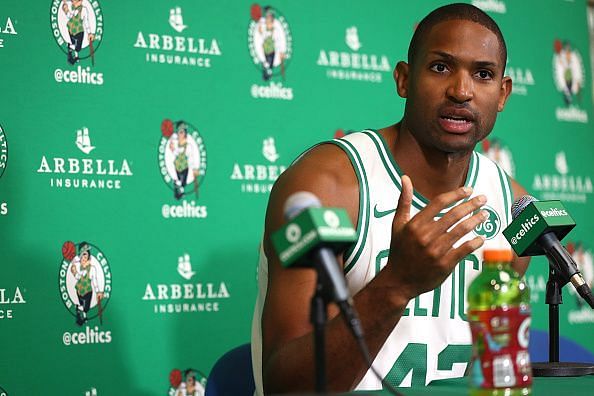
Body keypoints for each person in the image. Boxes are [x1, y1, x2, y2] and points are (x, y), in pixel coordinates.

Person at [251, 3, 531, 393]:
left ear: (502, 94)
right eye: (440, 67)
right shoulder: (325, 187)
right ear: (403, 79)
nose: (461, 91)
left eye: (482, 74)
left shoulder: (513, 210)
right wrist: (397, 284)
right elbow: (287, 385)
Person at [62, 0, 95, 65]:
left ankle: (75, 55)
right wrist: (66, 9)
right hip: (72, 29)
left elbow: (86, 21)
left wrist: (89, 33)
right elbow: (70, 16)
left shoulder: (83, 9)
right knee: (76, 46)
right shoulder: (72, 8)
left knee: (77, 46)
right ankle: (71, 48)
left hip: (78, 30)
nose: (73, 2)